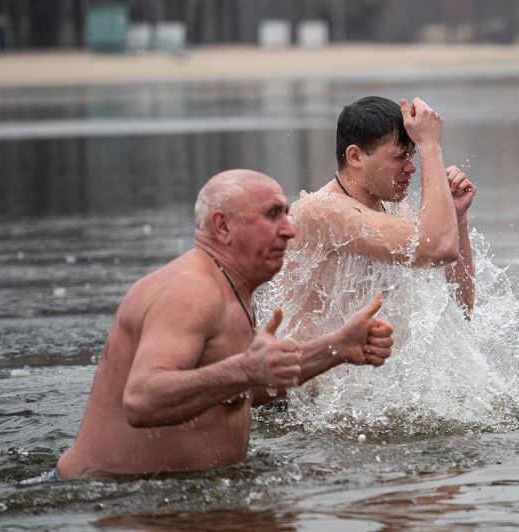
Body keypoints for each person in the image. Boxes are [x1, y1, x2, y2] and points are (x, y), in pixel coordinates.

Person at [50, 169, 394, 480]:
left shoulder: (231, 288)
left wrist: (337, 347)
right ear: (223, 226)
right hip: (110, 497)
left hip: (174, 493)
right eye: (273, 215)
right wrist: (245, 369)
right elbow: (143, 399)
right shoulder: (191, 291)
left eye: (286, 215)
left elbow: (236, 391)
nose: (289, 230)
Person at [269, 96, 476, 346]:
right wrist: (430, 145)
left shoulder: (394, 212)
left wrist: (457, 218)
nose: (411, 168)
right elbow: (437, 248)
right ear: (355, 156)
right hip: (307, 381)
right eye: (400, 156)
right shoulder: (320, 211)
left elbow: (460, 309)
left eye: (412, 156)